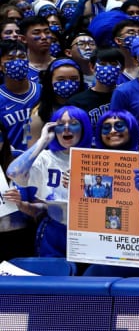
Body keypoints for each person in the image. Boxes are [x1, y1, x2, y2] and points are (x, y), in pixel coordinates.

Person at [6, 107, 92, 257]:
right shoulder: (46, 158)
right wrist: (42, 141)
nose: (66, 128)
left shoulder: (98, 158)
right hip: (55, 231)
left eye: (73, 123)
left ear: (83, 127)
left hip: (90, 230)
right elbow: (14, 173)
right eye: (60, 124)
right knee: (54, 277)